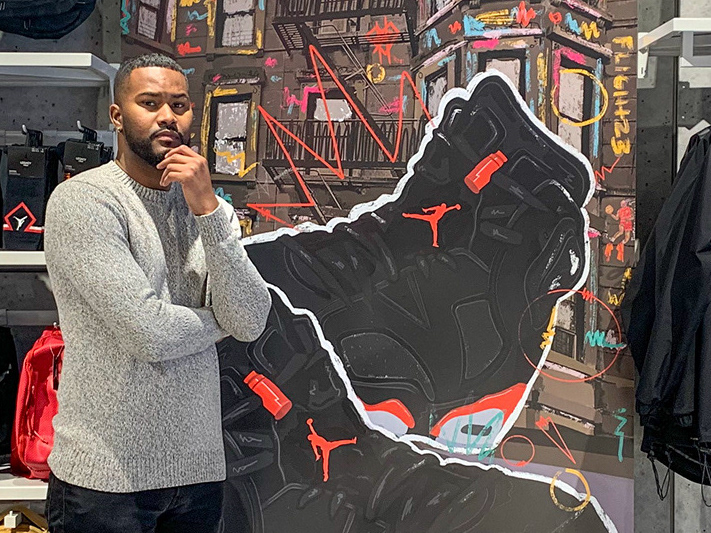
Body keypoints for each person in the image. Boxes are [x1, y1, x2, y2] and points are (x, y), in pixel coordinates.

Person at [42, 53, 272, 532]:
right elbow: (150, 333)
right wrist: (219, 320)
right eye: (149, 103)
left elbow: (250, 319)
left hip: (199, 474)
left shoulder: (206, 209)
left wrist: (208, 209)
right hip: (105, 481)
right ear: (117, 115)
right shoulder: (84, 201)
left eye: (179, 104)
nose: (168, 116)